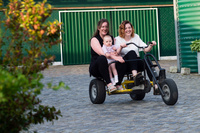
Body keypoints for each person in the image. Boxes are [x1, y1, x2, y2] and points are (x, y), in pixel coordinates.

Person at [115, 20, 157, 86]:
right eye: (125, 28)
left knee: (146, 59)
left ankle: (155, 82)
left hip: (136, 63)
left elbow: (145, 49)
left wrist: (151, 45)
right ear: (122, 30)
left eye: (129, 28)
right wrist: (121, 47)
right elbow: (116, 53)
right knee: (132, 52)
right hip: (125, 64)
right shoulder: (117, 39)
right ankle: (135, 77)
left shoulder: (136, 37)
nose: (128, 30)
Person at [89, 18, 126, 92]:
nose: (104, 28)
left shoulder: (111, 38)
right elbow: (102, 53)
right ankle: (109, 84)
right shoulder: (94, 39)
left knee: (122, 60)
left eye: (106, 27)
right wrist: (115, 57)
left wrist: (119, 51)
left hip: (111, 64)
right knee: (102, 58)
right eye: (102, 27)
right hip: (97, 67)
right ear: (99, 28)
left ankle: (117, 83)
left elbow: (115, 50)